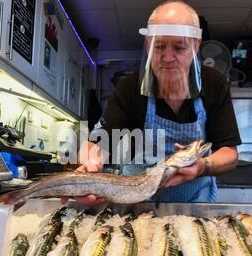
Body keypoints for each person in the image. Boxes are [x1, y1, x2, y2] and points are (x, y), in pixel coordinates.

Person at [67, 1, 241, 206]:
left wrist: (203, 166)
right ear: (148, 44)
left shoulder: (213, 84)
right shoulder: (131, 86)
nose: (167, 57)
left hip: (195, 207)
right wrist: (90, 164)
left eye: (179, 47)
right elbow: (96, 143)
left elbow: (229, 153)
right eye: (159, 46)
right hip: (138, 206)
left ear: (196, 45)